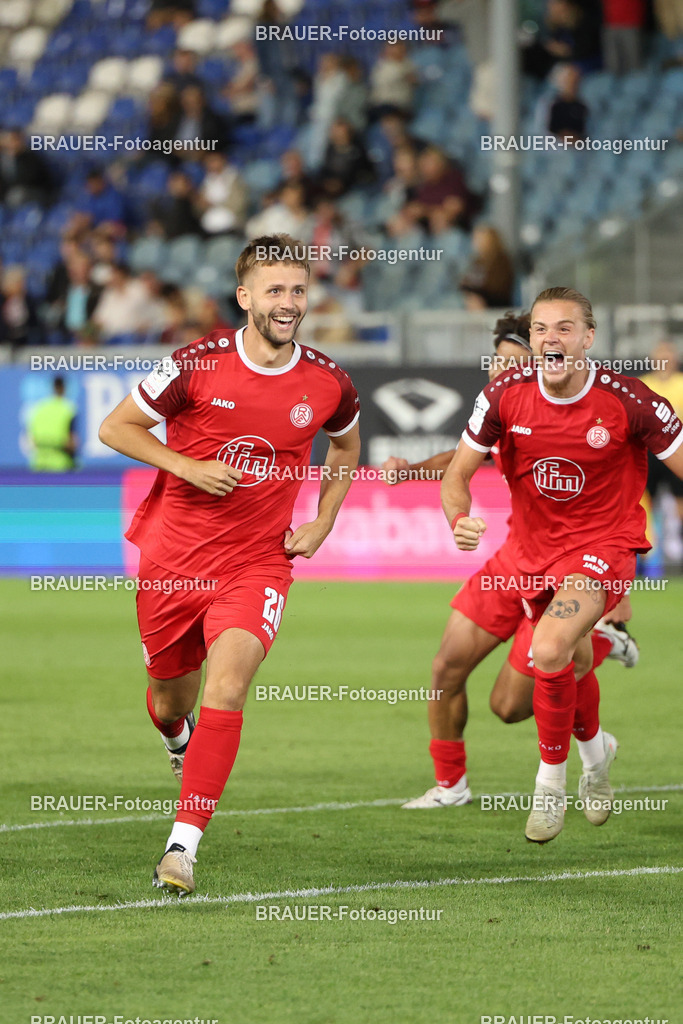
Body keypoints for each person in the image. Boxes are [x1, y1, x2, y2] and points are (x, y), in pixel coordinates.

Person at [98, 234, 361, 894]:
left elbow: (345, 447)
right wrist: (185, 464)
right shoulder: (194, 364)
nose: (289, 302)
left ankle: (181, 848)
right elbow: (115, 428)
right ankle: (177, 737)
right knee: (168, 700)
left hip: (257, 564)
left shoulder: (328, 380)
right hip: (173, 562)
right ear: (244, 297)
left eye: (298, 290)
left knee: (229, 685)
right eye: (274, 290)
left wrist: (323, 520)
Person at [442, 287, 683, 842]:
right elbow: (456, 476)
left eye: (564, 329)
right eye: (542, 330)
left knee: (548, 647)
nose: (551, 340)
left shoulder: (632, 401)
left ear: (588, 338)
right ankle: (596, 760)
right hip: (532, 554)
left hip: (603, 547)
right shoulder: (505, 394)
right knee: (568, 661)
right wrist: (459, 519)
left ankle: (550, 785)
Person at [382, 312, 637, 810]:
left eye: (513, 362)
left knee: (509, 707)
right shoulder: (503, 407)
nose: (501, 372)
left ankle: (600, 640)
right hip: (511, 562)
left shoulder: (582, 414)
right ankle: (451, 785)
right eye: (496, 362)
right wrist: (412, 472)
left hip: (567, 569)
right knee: (445, 668)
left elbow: (615, 506)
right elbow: (461, 460)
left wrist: (618, 588)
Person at [641, 340, 683, 561]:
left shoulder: (681, 383)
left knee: (679, 501)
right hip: (650, 453)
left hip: (677, 450)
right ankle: (649, 553)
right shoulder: (643, 385)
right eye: (660, 355)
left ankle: (677, 549)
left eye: (668, 355)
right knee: (646, 500)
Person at [28, 377, 78, 472]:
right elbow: (71, 443)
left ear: (52, 388)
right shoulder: (68, 409)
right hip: (61, 465)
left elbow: (32, 440)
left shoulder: (39, 409)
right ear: (64, 388)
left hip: (39, 464)